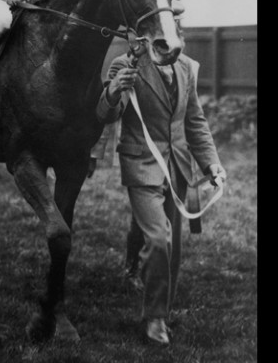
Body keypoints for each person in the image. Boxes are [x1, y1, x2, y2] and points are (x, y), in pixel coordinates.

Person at [95, 44, 228, 346]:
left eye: (177, 27)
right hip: (142, 163)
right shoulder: (125, 63)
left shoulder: (186, 67)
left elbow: (194, 121)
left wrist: (211, 164)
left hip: (179, 166)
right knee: (158, 239)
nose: (172, 35)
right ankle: (154, 318)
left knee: (174, 248)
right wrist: (113, 91)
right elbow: (105, 114)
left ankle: (161, 309)